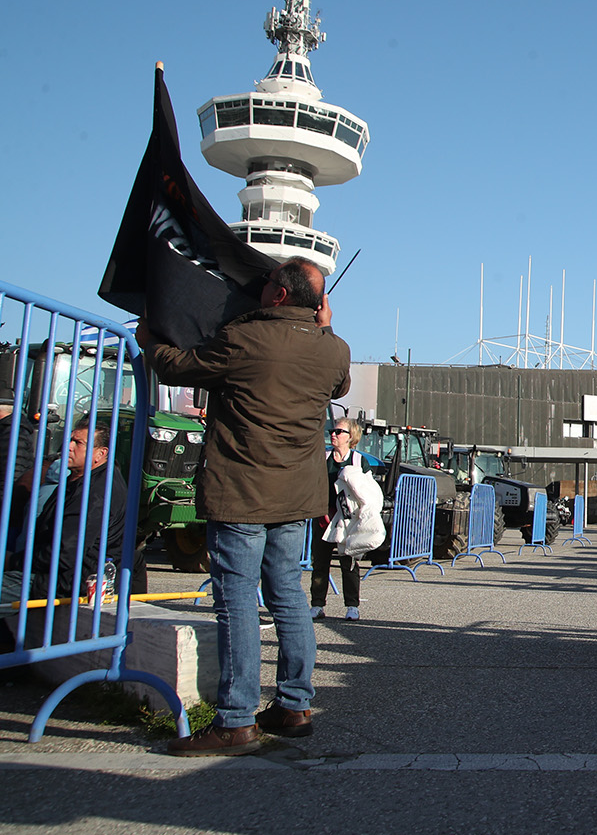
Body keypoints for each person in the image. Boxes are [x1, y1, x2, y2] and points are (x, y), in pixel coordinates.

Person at [138, 258, 351, 757]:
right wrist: (326, 326)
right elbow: (338, 385)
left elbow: (177, 365)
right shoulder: (334, 350)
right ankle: (294, 706)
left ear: (278, 295)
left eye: (268, 283)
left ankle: (235, 721)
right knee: (288, 598)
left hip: (242, 491)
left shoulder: (243, 339)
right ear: (316, 304)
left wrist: (152, 338)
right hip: (296, 495)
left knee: (236, 601)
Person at [2, 415, 126, 614]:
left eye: (78, 443)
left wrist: (13, 561)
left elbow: (64, 553)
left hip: (61, 583)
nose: (67, 446)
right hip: (50, 574)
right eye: (69, 440)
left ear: (100, 454)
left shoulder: (95, 492)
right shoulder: (81, 480)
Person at [310, 417, 364, 621]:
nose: (334, 434)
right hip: (324, 517)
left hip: (348, 520)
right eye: (333, 431)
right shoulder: (323, 458)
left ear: (351, 437)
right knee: (320, 563)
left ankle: (352, 606)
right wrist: (320, 510)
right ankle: (317, 605)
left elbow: (367, 493)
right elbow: (313, 485)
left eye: (339, 432)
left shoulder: (359, 460)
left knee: (349, 563)